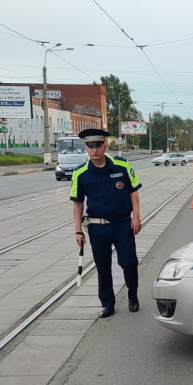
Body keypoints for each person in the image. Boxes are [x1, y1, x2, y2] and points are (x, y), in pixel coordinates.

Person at [71, 129, 143, 317]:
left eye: (98, 145)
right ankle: (107, 304)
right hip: (97, 226)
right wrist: (78, 231)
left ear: (105, 145)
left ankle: (133, 296)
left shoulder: (122, 166)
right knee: (102, 267)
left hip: (122, 225)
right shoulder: (80, 173)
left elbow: (133, 192)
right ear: (86, 148)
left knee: (129, 262)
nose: (94, 150)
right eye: (90, 146)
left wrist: (136, 217)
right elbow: (77, 203)